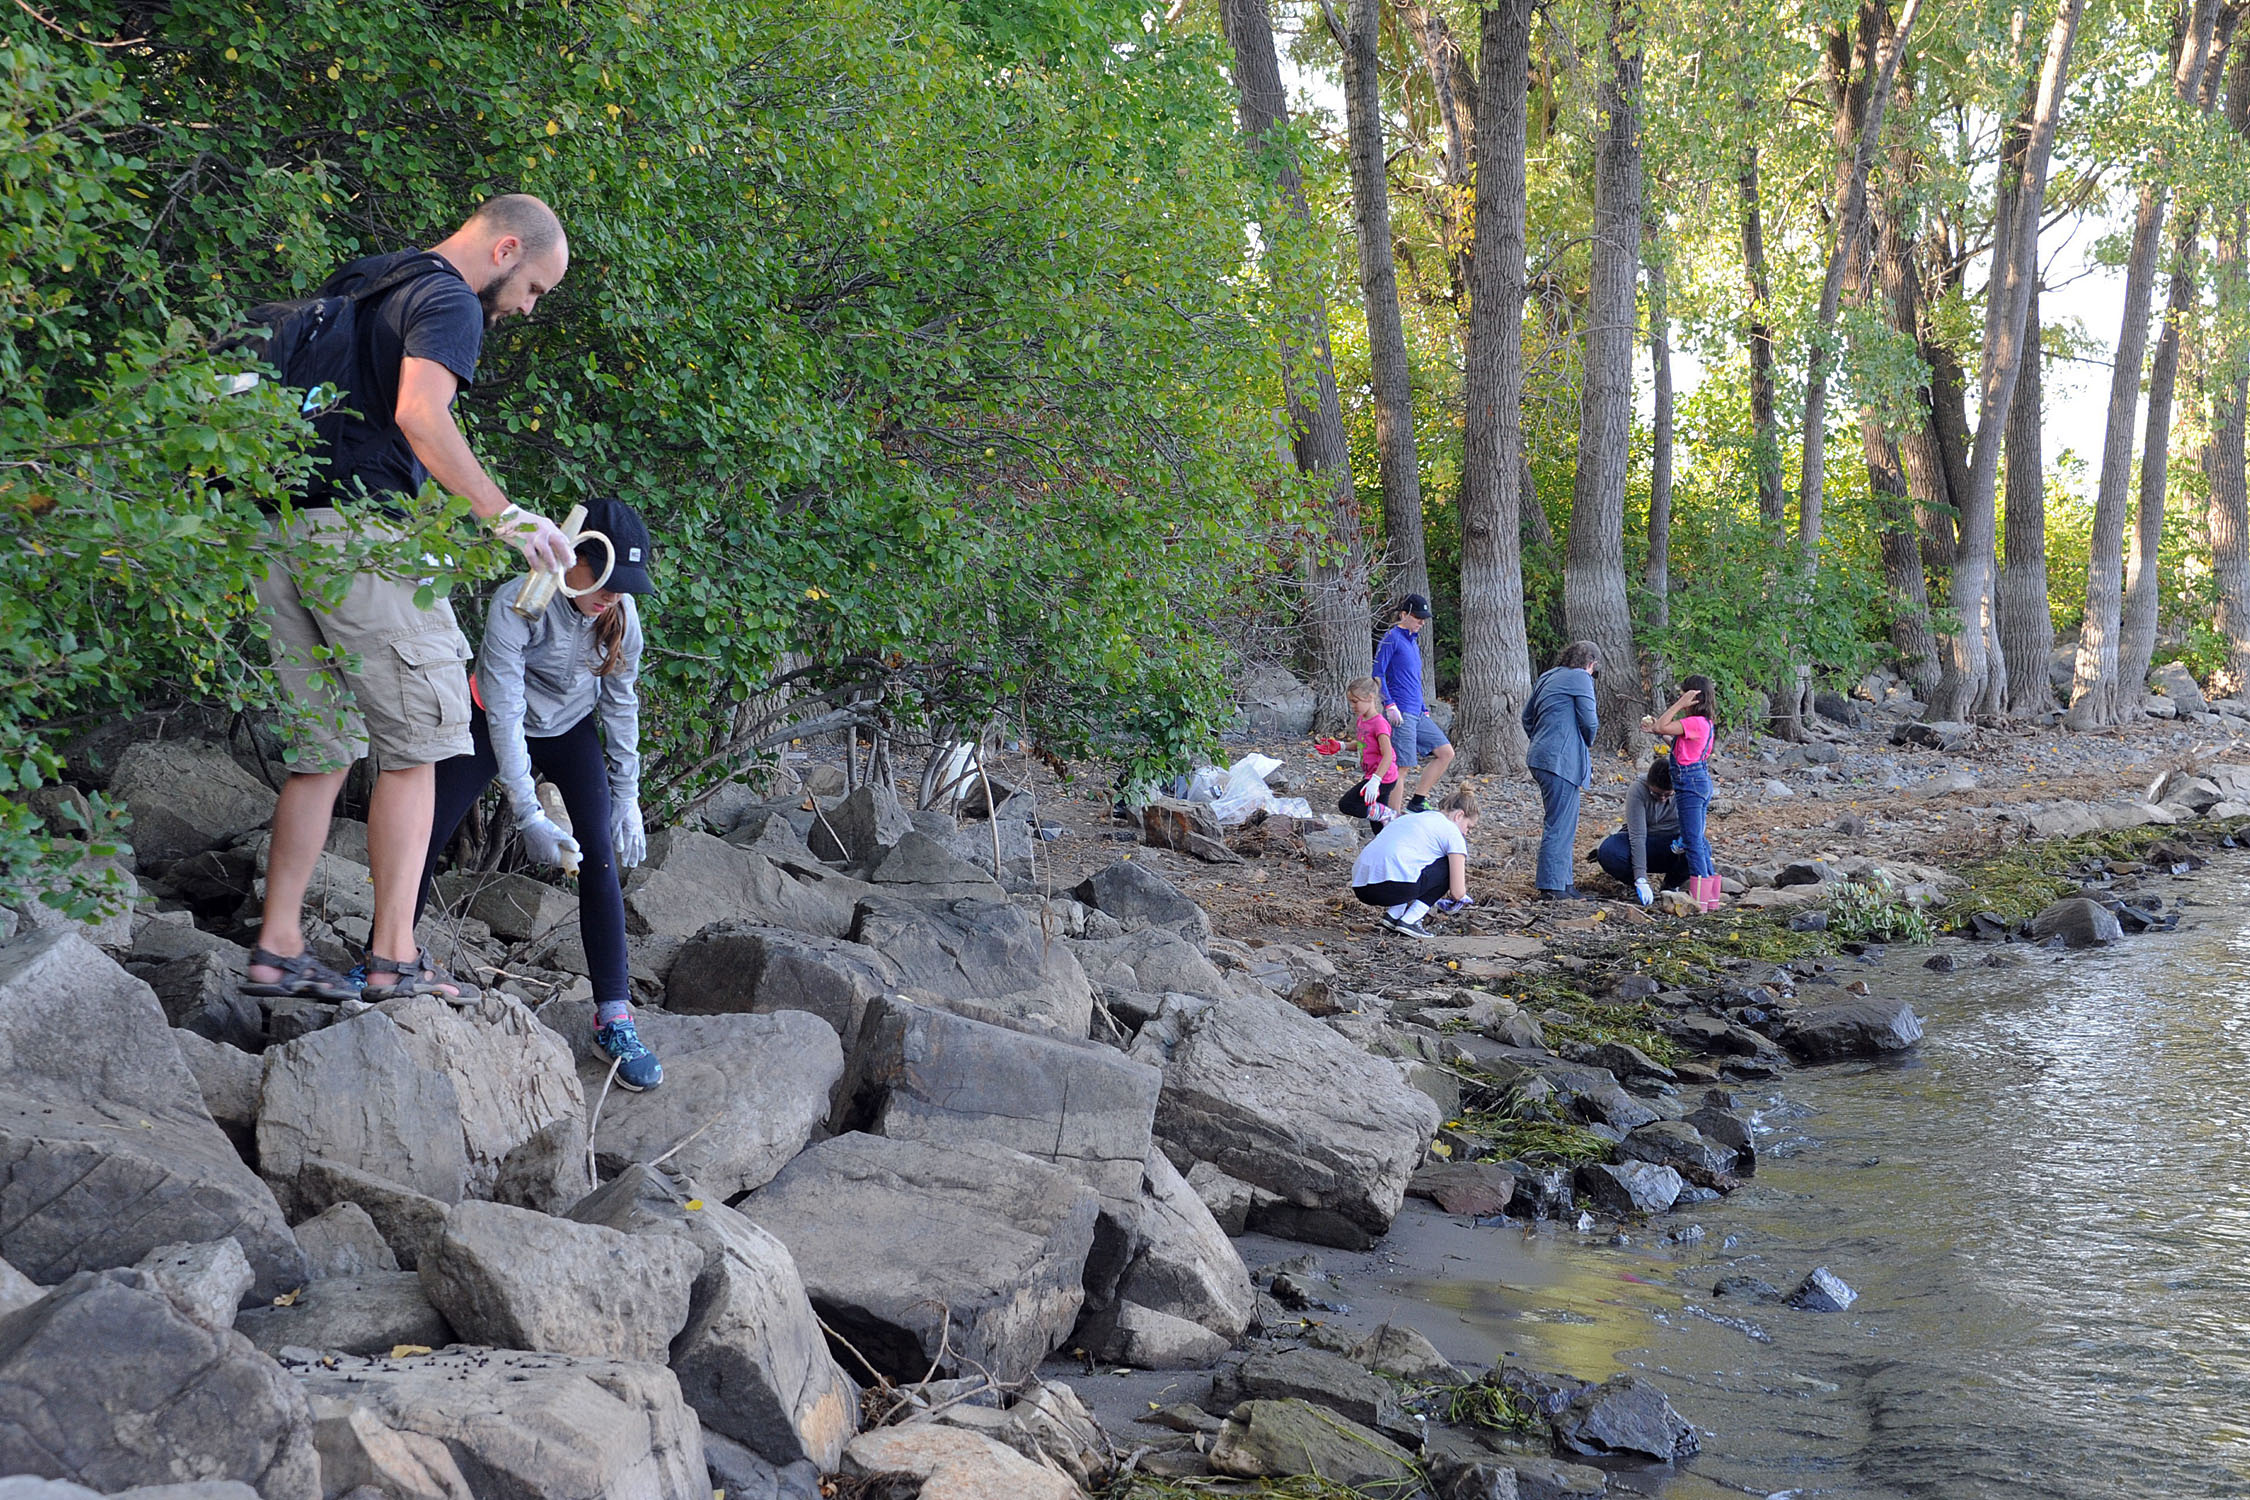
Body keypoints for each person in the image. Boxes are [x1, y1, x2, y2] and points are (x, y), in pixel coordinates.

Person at [246, 195, 577, 1006]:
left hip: (278, 529)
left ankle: (277, 947)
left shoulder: (369, 279)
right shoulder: (450, 301)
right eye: (534, 288)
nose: (528, 309)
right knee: (425, 740)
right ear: (505, 250)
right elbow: (419, 414)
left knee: (323, 747)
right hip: (361, 539)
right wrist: (505, 517)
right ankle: (394, 958)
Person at [417, 497, 662, 1087]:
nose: (612, 593)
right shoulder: (518, 602)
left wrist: (627, 792)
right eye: (605, 578)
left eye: (624, 584)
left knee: (598, 857)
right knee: (426, 832)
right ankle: (387, 957)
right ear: (572, 557)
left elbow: (621, 706)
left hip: (569, 728)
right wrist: (527, 810)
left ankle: (614, 1017)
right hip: (490, 719)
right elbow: (501, 709)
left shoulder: (621, 615)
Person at [1521, 641, 1600, 900]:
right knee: (1559, 823)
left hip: (1540, 756)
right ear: (1591, 663)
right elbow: (1590, 721)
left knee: (1563, 820)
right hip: (1561, 761)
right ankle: (1552, 887)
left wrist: (1542, 739)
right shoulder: (1581, 678)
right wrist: (1585, 741)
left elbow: (1527, 717)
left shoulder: (1548, 676)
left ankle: (1564, 883)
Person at [1351, 787, 1480, 939]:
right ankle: (1411, 920)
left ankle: (1393, 915)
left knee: (1412, 863)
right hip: (1393, 886)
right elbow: (1457, 892)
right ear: (1459, 815)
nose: (1466, 833)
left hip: (1361, 887)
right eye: (1468, 827)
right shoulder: (1452, 832)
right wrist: (1460, 900)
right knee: (1448, 864)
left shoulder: (1411, 818)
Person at [1643, 675, 1720, 912]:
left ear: (1693, 697)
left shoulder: (1695, 722)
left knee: (1692, 840)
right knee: (1696, 838)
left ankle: (1702, 900)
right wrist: (1657, 731)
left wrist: (1678, 706)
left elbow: (1661, 725)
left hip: (1690, 785)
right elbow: (1675, 742)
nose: (1679, 698)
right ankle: (1711, 897)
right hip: (1698, 780)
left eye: (1683, 694)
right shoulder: (1702, 723)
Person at [1371, 594, 1455, 813]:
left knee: (1446, 752)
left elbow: (1413, 678)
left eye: (1423, 618)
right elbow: (1378, 673)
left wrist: (1424, 708)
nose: (1422, 622)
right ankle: (1393, 817)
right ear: (1403, 614)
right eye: (1417, 617)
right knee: (1402, 767)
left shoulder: (1412, 641)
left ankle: (1417, 800)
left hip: (1417, 712)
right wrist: (1389, 704)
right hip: (1401, 712)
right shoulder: (1392, 638)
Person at [1592, 757, 1688, 904]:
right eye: (1656, 794)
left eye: (1667, 795)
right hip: (1643, 841)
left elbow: (1697, 823)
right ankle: (1635, 886)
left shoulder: (1685, 788)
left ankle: (1671, 885)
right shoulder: (1637, 789)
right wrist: (1640, 879)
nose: (1662, 799)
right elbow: (1637, 836)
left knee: (1701, 847)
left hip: (1671, 845)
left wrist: (1686, 838)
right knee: (1608, 851)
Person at [1337, 677, 1400, 826]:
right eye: (1350, 701)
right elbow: (1362, 744)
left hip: (1383, 777)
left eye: (1355, 701)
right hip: (1373, 775)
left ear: (1370, 698)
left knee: (1347, 804)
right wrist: (1341, 746)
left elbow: (1388, 755)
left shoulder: (1379, 724)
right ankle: (1388, 841)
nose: (1352, 706)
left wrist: (1376, 780)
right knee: (1378, 822)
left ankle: (1391, 816)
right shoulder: (1362, 720)